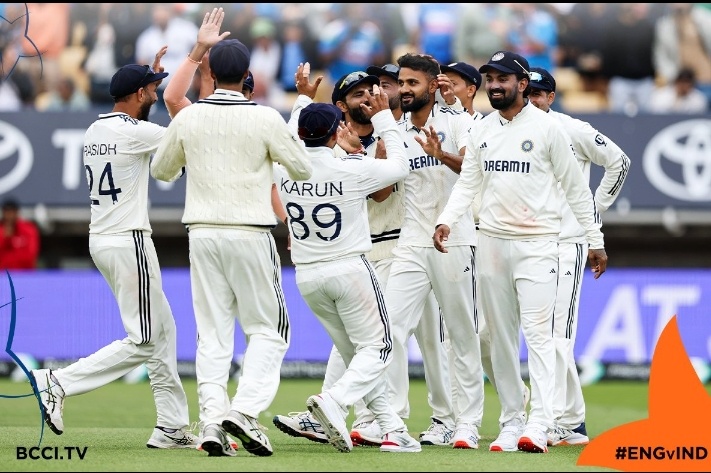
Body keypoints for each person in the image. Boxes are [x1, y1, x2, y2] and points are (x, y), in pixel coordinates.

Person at [433, 51, 607, 454]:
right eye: (490, 79)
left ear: (522, 84)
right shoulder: (482, 129)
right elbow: (468, 183)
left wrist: (594, 240)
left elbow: (576, 189)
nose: (494, 86)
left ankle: (540, 422)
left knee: (539, 336)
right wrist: (446, 219)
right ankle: (512, 422)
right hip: (492, 243)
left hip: (538, 244)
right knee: (499, 338)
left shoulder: (548, 129)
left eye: (502, 79)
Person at [150, 38, 312, 457]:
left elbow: (162, 171)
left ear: (210, 73)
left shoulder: (189, 118)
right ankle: (243, 410)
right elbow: (302, 168)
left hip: (202, 233)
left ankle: (211, 421)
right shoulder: (265, 117)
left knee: (213, 335)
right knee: (270, 330)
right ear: (247, 76)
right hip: (250, 232)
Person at [30, 62, 198, 450]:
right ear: (138, 94)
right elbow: (187, 137)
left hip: (103, 239)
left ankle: (171, 427)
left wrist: (147, 79)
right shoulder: (138, 133)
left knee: (163, 331)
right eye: (151, 89)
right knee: (146, 338)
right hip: (129, 240)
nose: (155, 94)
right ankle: (58, 382)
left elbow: (142, 140)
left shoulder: (95, 130)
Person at [274, 89, 421, 453]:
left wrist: (301, 102)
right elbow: (401, 166)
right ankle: (334, 401)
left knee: (357, 356)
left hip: (308, 276)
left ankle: (393, 429)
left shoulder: (283, 168)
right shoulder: (351, 167)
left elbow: (289, 136)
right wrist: (383, 117)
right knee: (380, 347)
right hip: (349, 269)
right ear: (334, 133)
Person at [385, 52, 484, 450]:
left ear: (432, 84)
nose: (404, 89)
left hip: (455, 239)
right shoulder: (395, 130)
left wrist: (441, 154)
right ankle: (391, 420)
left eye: (412, 83)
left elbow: (476, 170)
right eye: (401, 83)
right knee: (389, 329)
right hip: (411, 240)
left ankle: (466, 423)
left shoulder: (458, 121)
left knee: (461, 334)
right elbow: (383, 189)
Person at [527, 66, 630, 446]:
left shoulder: (573, 129)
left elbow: (619, 162)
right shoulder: (514, 133)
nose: (532, 101)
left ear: (551, 98)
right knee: (540, 335)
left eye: (539, 94)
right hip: (528, 243)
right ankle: (570, 422)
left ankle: (554, 419)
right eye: (528, 93)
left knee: (558, 335)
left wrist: (594, 213)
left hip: (566, 243)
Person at [0, 199, 40, 270]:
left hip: (24, 274)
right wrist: (5, 239)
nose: (9, 216)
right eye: (7, 212)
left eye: (11, 212)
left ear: (17, 212)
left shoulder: (28, 230)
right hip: (3, 274)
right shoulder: (1, 230)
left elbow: (31, 255)